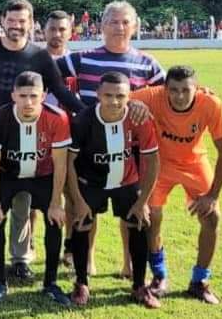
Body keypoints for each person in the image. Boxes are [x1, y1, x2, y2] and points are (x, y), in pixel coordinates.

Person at [0, 0, 84, 282]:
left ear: (31, 24)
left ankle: (20, 258)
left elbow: (59, 90)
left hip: (25, 138)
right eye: (12, 21)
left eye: (23, 21)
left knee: (22, 201)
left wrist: (88, 114)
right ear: (2, 20)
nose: (17, 26)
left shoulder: (39, 56)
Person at [58, 1, 165, 278]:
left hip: (131, 149)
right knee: (86, 206)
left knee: (130, 207)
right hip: (90, 147)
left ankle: (129, 264)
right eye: (113, 22)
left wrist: (146, 108)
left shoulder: (147, 63)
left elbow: (166, 97)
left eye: (125, 21)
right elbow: (49, 74)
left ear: (135, 26)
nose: (119, 27)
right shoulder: (83, 58)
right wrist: (79, 107)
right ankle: (88, 261)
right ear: (102, 25)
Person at [132, 66, 222, 305]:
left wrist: (213, 195)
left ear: (196, 88)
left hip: (194, 162)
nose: (180, 96)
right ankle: (159, 275)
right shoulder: (152, 95)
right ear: (165, 89)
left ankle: (199, 281)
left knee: (212, 216)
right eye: (173, 90)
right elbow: (118, 98)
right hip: (159, 164)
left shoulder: (210, 104)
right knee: (152, 217)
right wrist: (133, 104)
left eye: (186, 90)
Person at [66, 72, 161, 308]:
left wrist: (143, 202)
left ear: (129, 96)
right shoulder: (83, 120)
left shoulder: (140, 119)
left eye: (120, 96)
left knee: (138, 223)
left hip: (127, 182)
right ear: (98, 95)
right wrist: (77, 199)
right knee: (82, 224)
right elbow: (68, 162)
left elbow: (153, 161)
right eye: (108, 95)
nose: (114, 101)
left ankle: (139, 285)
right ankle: (81, 283)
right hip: (91, 183)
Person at [0, 72, 71, 305]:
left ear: (44, 95)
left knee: (54, 220)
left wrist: (55, 203)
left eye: (34, 96)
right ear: (13, 95)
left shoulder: (58, 118)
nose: (28, 102)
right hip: (8, 176)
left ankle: (50, 283)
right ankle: (0, 280)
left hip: (42, 176)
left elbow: (61, 163)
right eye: (22, 96)